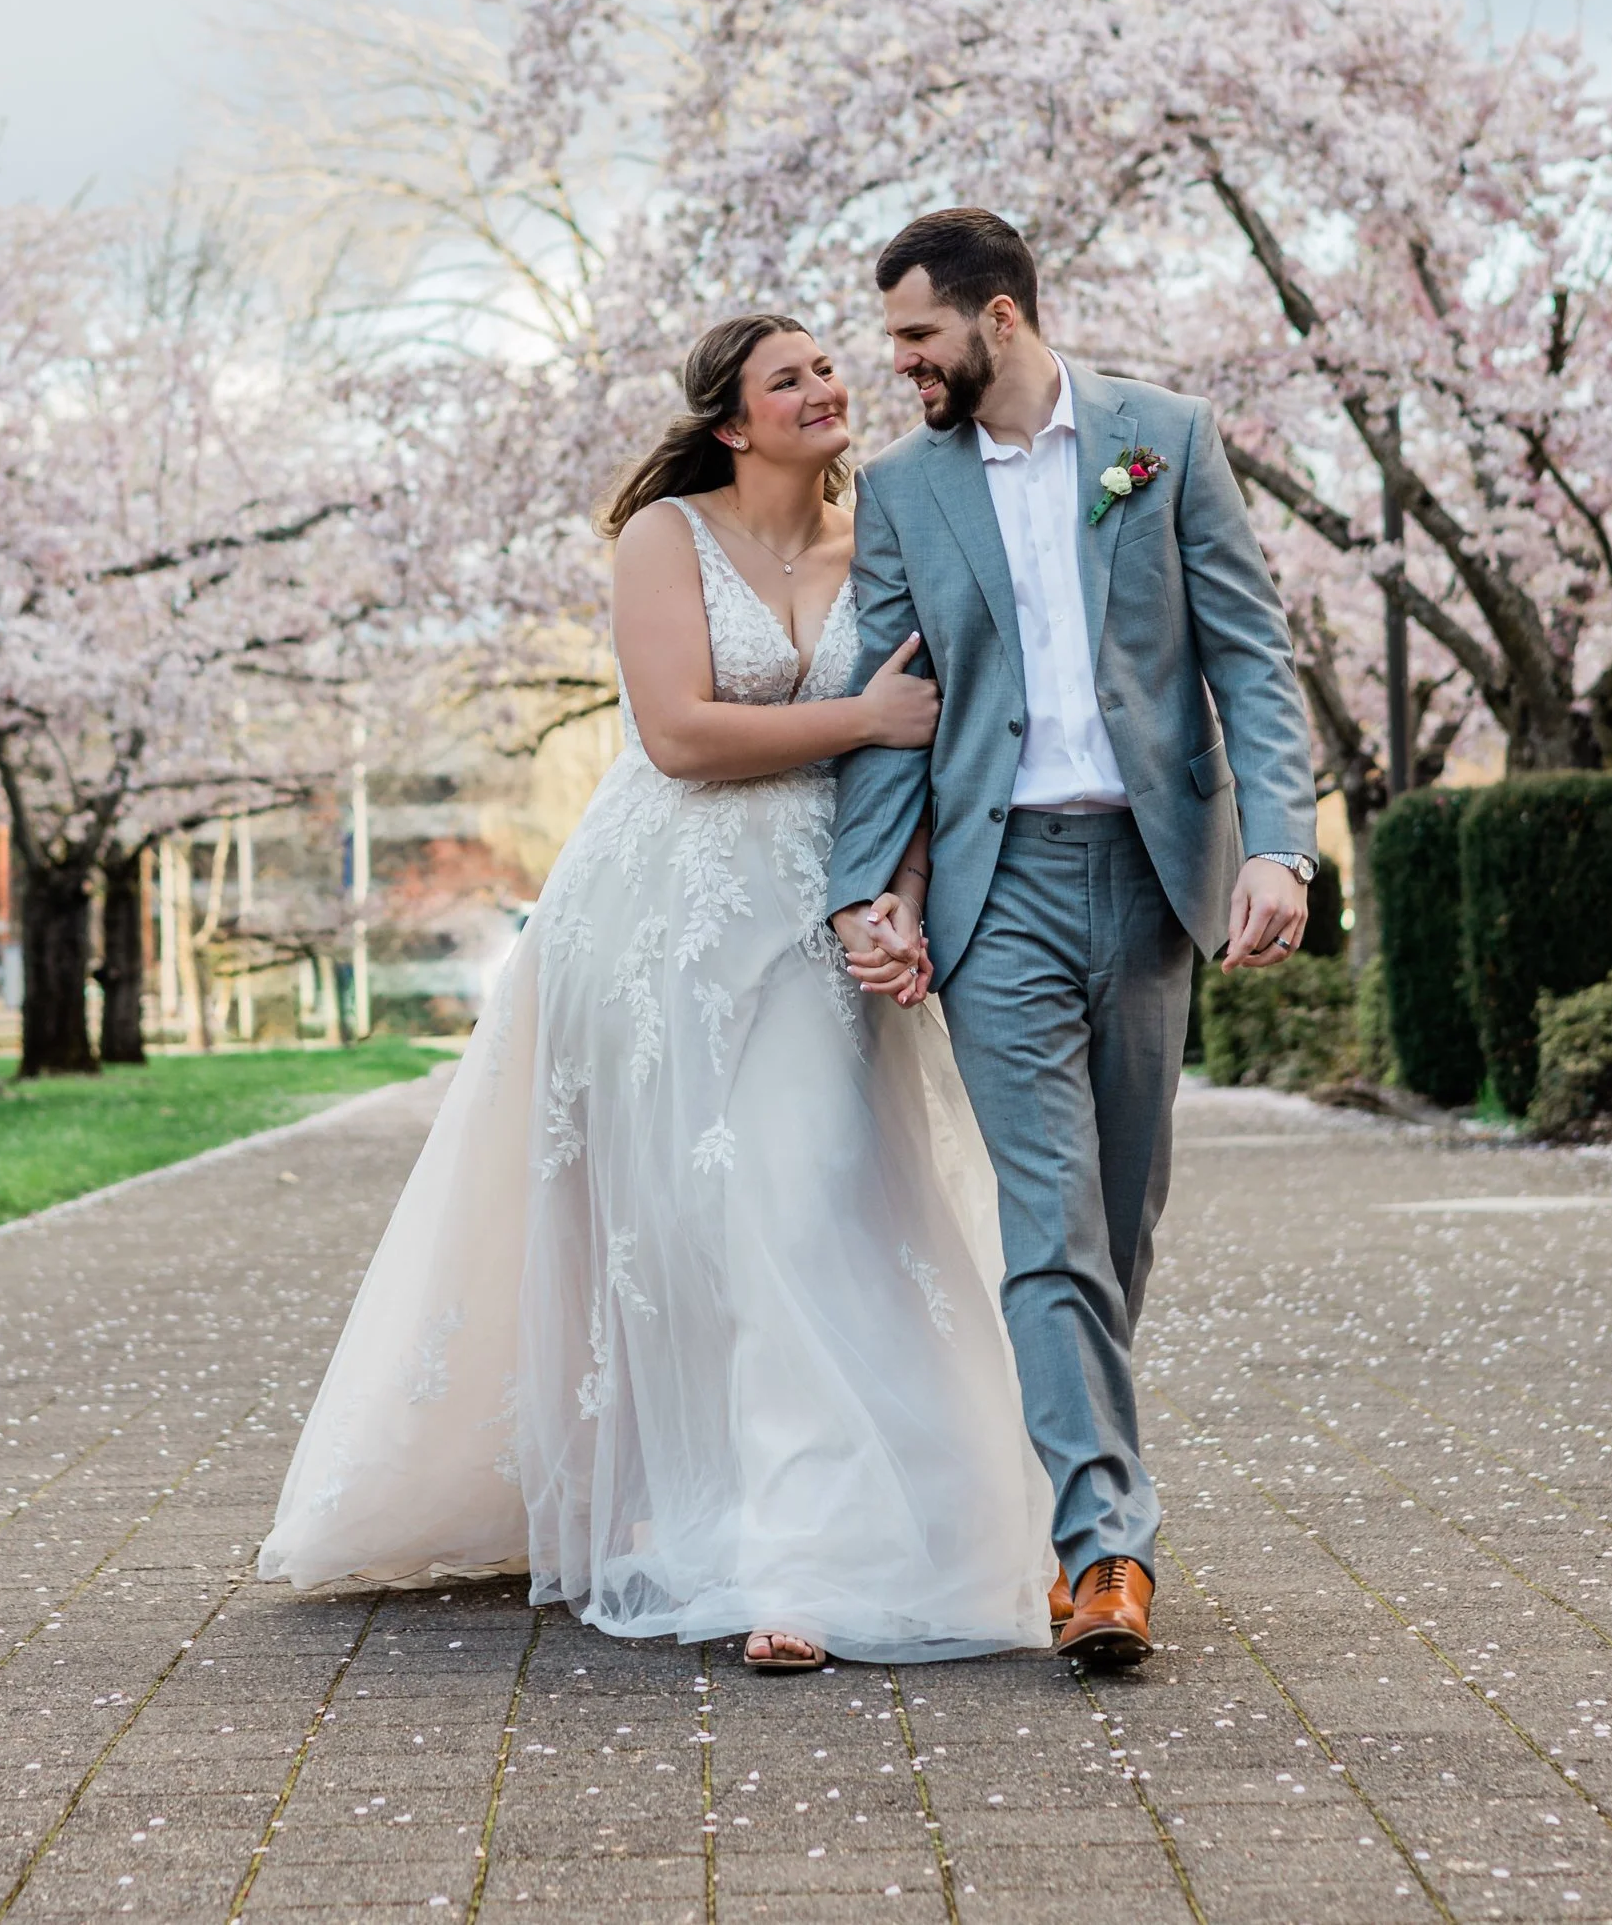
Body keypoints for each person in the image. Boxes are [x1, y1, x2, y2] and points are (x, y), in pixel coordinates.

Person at [260, 311, 1054, 1673]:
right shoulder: (664, 538)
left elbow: (927, 753)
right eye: (786, 376)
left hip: (822, 910)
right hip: (662, 915)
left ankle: (829, 1537)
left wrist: (899, 898)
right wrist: (858, 718)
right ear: (733, 421)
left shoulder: (892, 535)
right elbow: (683, 733)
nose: (823, 387)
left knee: (809, 1197)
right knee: (700, 1221)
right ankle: (742, 1532)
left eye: (826, 365)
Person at [829, 210, 1320, 1671]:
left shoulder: (1163, 438)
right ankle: (1104, 1546)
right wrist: (876, 888)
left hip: (1154, 872)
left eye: (919, 337)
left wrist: (1280, 845)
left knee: (1118, 1219)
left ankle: (1085, 1482)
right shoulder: (905, 490)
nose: (901, 367)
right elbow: (887, 697)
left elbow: (1249, 652)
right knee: (1049, 1222)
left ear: (1001, 318)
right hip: (998, 892)